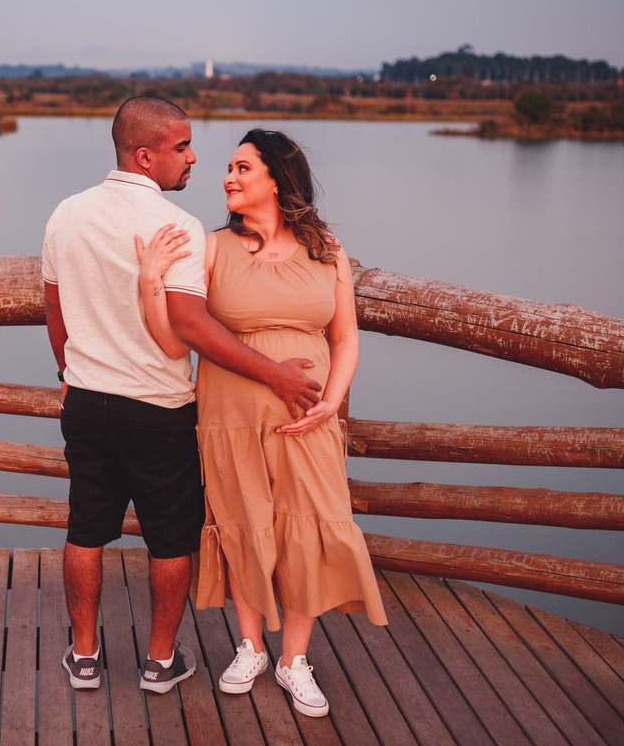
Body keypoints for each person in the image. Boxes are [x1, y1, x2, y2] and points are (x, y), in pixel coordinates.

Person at [43, 100, 323, 695]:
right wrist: (275, 374)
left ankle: (85, 657)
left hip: (86, 400)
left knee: (86, 528)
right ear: (145, 156)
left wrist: (67, 369)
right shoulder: (179, 227)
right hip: (158, 406)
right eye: (182, 147)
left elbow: (54, 306)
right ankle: (159, 663)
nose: (194, 158)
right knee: (170, 538)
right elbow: (190, 326)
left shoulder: (66, 214)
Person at [136, 128, 388, 717]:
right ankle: (249, 647)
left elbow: (345, 338)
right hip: (228, 417)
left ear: (277, 178)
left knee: (310, 526)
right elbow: (174, 343)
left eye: (242, 168)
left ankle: (293, 660)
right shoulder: (211, 247)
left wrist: (331, 402)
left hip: (309, 418)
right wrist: (150, 280)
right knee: (241, 521)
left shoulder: (326, 248)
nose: (227, 177)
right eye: (228, 168)